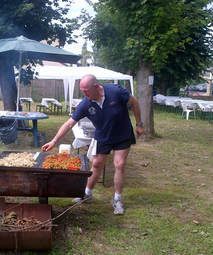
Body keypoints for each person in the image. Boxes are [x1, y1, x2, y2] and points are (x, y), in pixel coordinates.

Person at [42, 74, 143, 215]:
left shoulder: (116, 91)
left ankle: (117, 199)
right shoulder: (86, 103)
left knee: (119, 164)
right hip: (103, 136)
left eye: (86, 91)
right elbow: (70, 123)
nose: (84, 94)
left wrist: (139, 124)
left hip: (122, 134)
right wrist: (54, 141)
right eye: (82, 91)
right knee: (96, 164)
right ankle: (87, 194)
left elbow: (135, 102)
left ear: (96, 86)